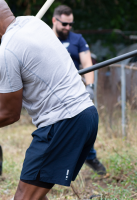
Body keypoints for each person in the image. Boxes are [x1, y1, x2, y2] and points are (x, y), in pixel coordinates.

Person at [0, 0, 99, 199]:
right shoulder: (33, 24)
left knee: (23, 197)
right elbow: (28, 69)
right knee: (37, 194)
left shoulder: (6, 52)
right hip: (86, 115)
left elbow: (9, 114)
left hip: (63, 124)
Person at [52, 5, 106, 175]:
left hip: (75, 92)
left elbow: (87, 64)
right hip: (51, 93)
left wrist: (90, 87)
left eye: (70, 24)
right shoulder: (45, 38)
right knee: (55, 130)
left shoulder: (78, 40)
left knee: (84, 127)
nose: (68, 28)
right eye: (64, 24)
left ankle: (89, 156)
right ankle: (56, 166)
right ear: (54, 20)